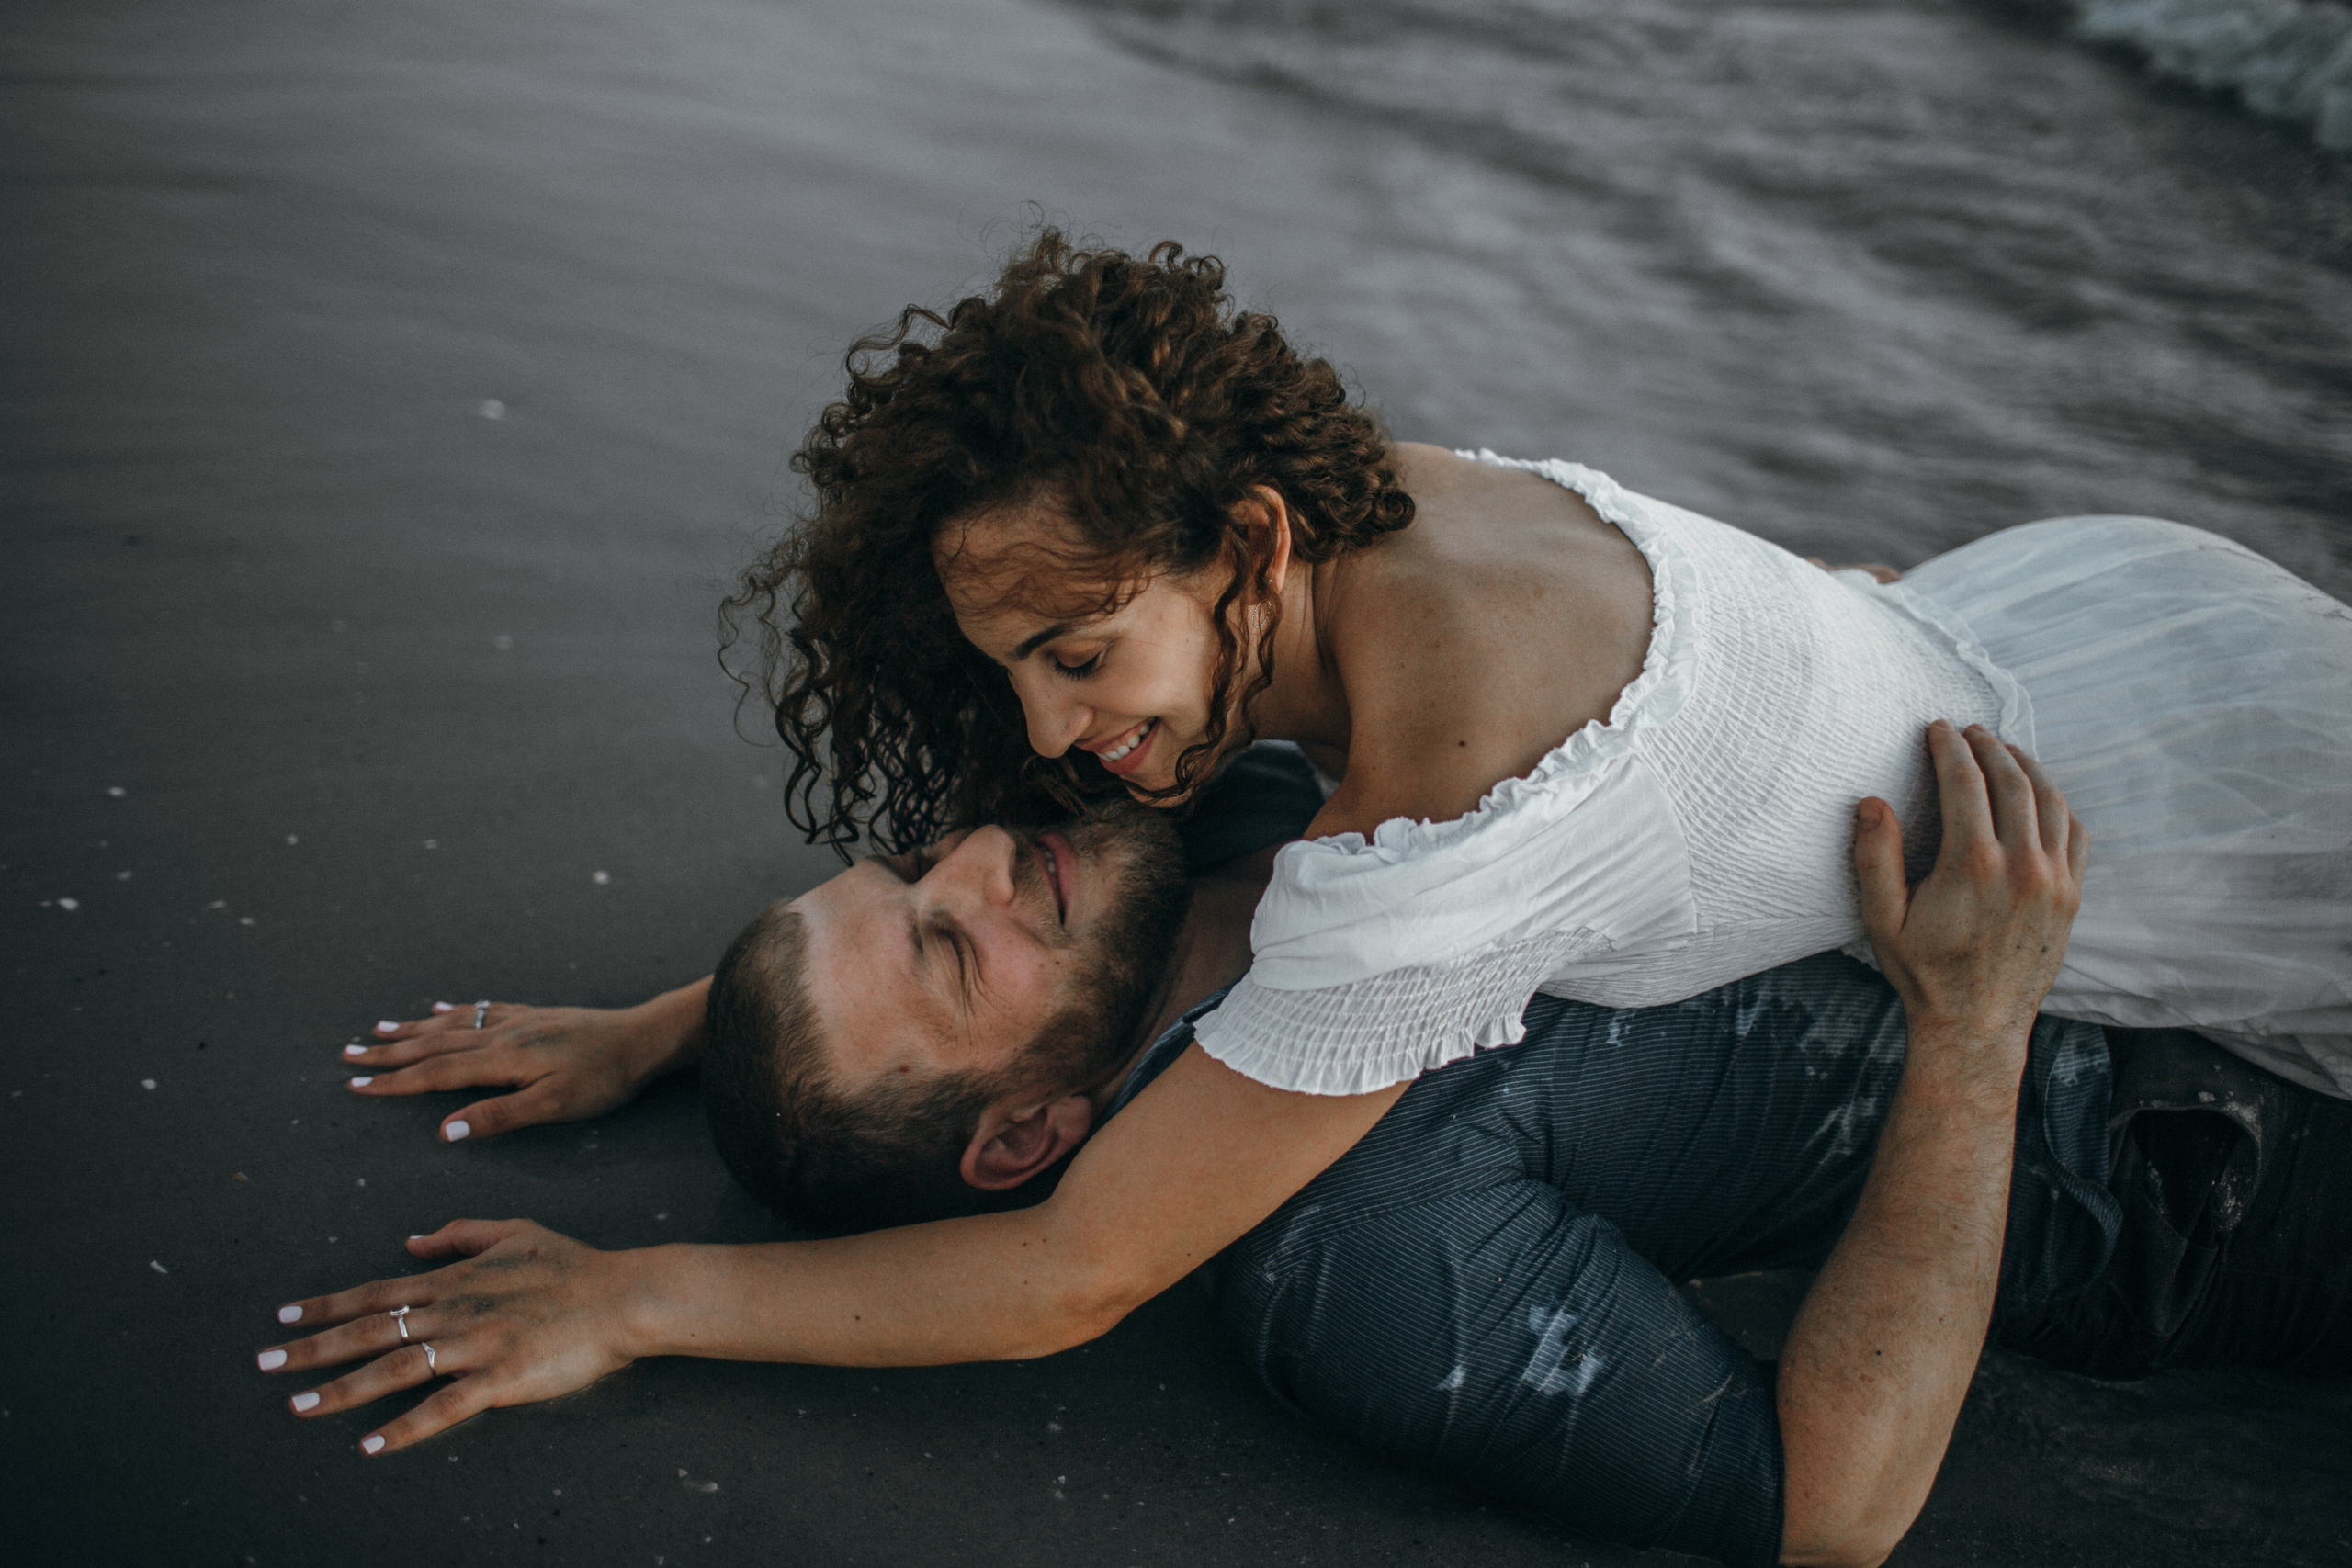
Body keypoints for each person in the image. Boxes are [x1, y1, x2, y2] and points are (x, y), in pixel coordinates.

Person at [254, 726, 2315, 1568]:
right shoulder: (1364, 1256)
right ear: (1036, 1133)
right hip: (2181, 1141)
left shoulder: (1190, 805)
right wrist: (1974, 1025)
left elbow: (947, 987)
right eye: (954, 937)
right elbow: (1829, 1502)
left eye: (902, 868)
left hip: (2145, 795)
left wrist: (672, 1028)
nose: (985, 848)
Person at [749, 231, 2352, 1106]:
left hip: (2191, 813)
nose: (1046, 726)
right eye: (1015, 667)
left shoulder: (1451, 771)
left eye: (1078, 656)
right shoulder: (1326, 498)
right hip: (2070, 595)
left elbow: (1083, 1275)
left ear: (1242, 545)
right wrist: (693, 1022)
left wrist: (636, 1300)